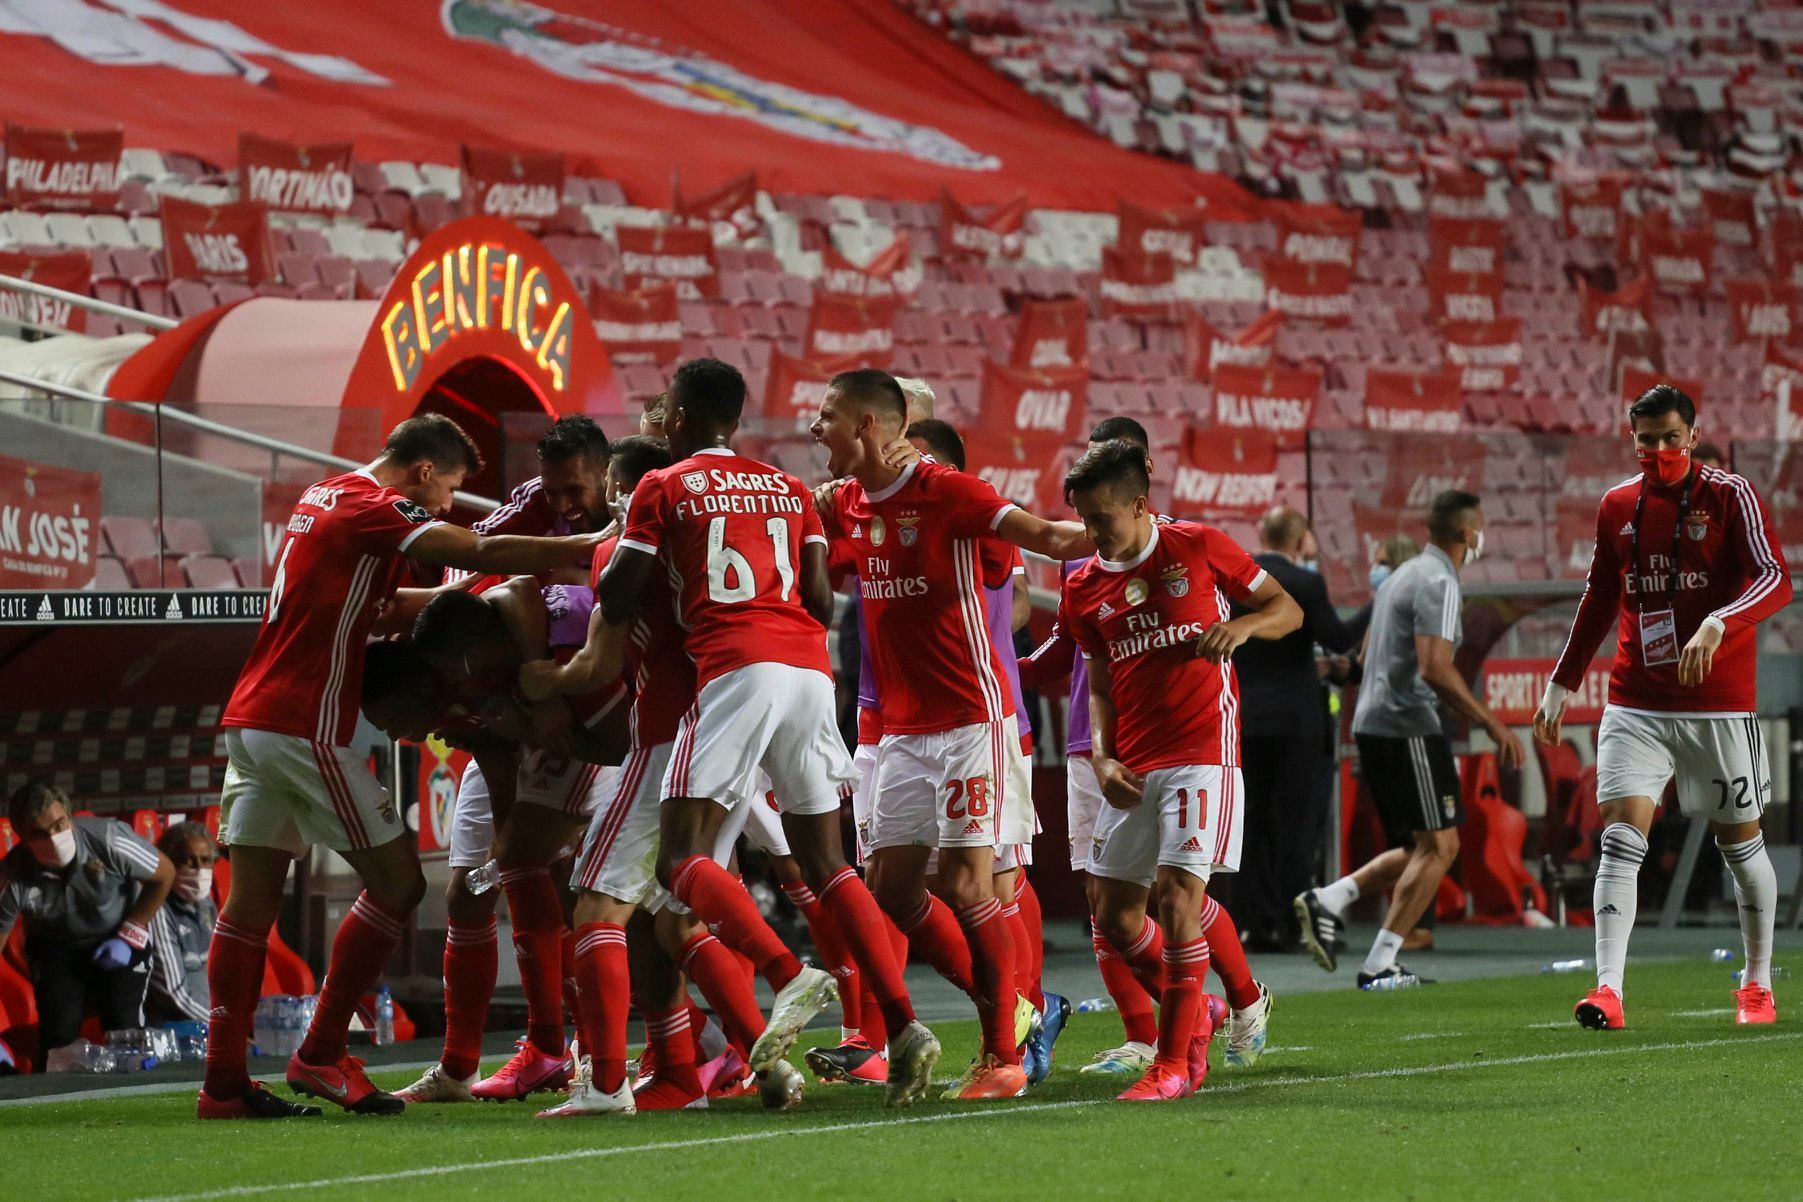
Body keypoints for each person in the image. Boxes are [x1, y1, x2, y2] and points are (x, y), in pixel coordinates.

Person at [523, 358, 942, 1109]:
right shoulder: (785, 487)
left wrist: (622, 555)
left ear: (679, 419)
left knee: (669, 869)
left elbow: (614, 607)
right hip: (809, 671)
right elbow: (818, 597)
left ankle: (787, 976)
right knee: (821, 865)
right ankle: (900, 1024)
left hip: (724, 680)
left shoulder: (660, 488)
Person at [198, 413, 605, 1121]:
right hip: (309, 721)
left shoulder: (321, 495)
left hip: (251, 716)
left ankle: (223, 1083)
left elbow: (375, 601)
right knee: (398, 883)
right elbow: (479, 550)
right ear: (421, 472)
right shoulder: (372, 504)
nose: (446, 503)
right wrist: (585, 547)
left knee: (250, 903)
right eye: (446, 487)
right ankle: (321, 1053)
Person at [810, 369, 1097, 1101]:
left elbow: (1047, 538)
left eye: (827, 417)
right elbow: (827, 570)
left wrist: (1128, 536)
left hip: (973, 719)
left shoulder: (949, 493)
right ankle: (1015, 1014)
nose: (815, 431)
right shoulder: (845, 503)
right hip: (897, 728)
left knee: (974, 883)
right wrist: (809, 518)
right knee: (894, 889)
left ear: (871, 425)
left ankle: (1001, 1055)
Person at [1019, 417, 1273, 1077]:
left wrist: (1240, 629)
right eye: (1082, 519)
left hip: (1199, 749)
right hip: (1122, 758)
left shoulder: (1194, 545)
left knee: (1177, 896)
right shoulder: (1081, 584)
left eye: (1099, 518)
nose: (1089, 534)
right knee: (1112, 913)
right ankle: (1204, 1012)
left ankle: (1171, 1058)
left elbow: (1283, 608)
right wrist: (1102, 754)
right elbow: (1091, 682)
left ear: (1138, 497)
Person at [1536, 384, 1791, 1029]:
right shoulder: (1616, 505)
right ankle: (1608, 990)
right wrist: (1561, 685)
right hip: (1636, 701)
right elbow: (1599, 598)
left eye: (1669, 438)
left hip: (1719, 705)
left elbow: (1775, 577)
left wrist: (1716, 624)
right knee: (1620, 838)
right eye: (1645, 440)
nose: (1657, 451)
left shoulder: (1731, 496)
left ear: (1693, 436)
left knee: (1739, 845)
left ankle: (1757, 985)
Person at [1295, 489, 1524, 988]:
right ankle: (1380, 963)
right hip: (1407, 725)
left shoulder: (1404, 574)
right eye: (1480, 526)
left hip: (1377, 723)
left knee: (1421, 845)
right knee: (1441, 847)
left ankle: (1330, 899)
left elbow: (1368, 657)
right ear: (1467, 533)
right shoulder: (1439, 581)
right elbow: (1435, 668)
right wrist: (1491, 721)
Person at [1233, 507, 1370, 952]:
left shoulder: (1235, 577)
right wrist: (1376, 604)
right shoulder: (1306, 584)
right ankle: (1295, 926)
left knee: (1252, 825)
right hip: (1297, 722)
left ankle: (1257, 923)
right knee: (1295, 826)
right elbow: (1338, 638)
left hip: (1245, 719)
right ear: (1301, 540)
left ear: (1261, 531)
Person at [0, 782, 174, 1067]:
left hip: (119, 938)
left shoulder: (108, 838)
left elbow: (164, 874)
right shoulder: (12, 875)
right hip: (56, 951)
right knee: (58, 1038)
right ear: (22, 837)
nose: (54, 837)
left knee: (125, 1029)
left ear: (70, 817)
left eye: (59, 825)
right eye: (40, 833)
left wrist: (130, 933)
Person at [146, 823, 217, 1024]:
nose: (199, 870)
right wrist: (222, 1026)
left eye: (205, 860)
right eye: (189, 861)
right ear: (169, 864)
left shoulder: (207, 905)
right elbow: (174, 994)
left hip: (211, 1021)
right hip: (176, 1029)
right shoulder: (158, 910)